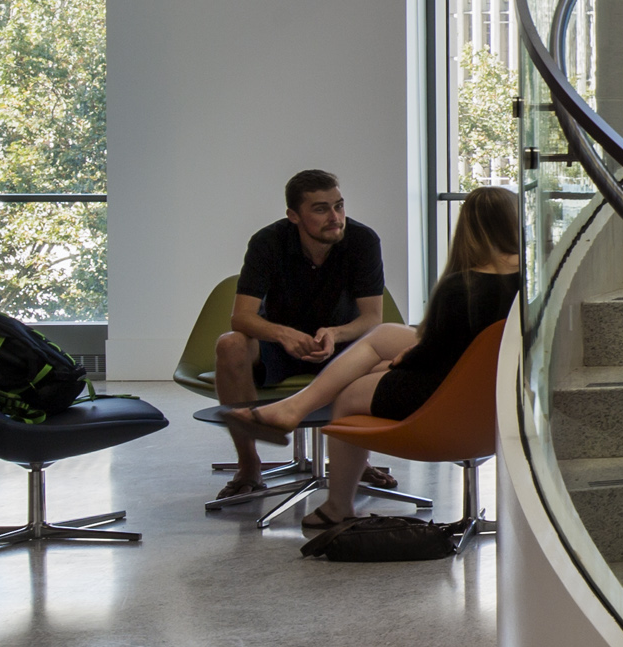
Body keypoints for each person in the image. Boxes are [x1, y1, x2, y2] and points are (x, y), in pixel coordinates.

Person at [226, 187, 524, 531]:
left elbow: (433, 359)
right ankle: (294, 409)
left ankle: (338, 504)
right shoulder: (533, 283)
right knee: (384, 335)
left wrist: (396, 365)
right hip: (499, 389)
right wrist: (405, 354)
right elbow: (462, 347)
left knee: (349, 393)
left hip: (443, 397)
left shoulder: (463, 287)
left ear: (468, 227)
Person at [215, 169, 388, 507]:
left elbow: (372, 318)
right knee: (230, 343)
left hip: (342, 343)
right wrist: (283, 334)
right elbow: (242, 317)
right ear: (293, 216)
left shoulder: (363, 241)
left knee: (381, 357)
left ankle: (356, 460)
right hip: (279, 345)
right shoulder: (267, 242)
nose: (335, 218)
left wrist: (335, 334)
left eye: (339, 206)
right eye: (321, 209)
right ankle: (249, 466)